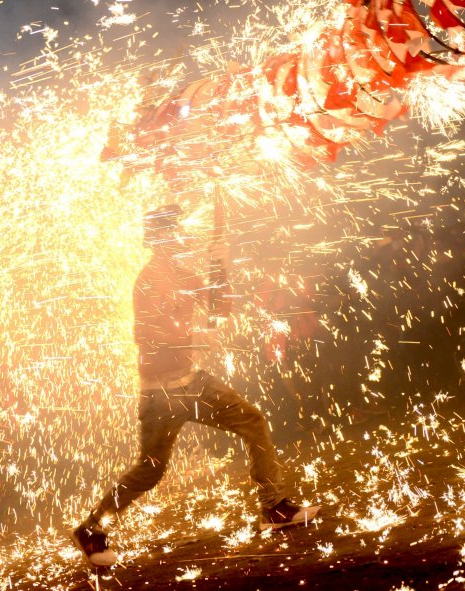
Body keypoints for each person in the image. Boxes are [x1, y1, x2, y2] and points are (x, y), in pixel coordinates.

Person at [72, 204, 320, 567]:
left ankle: (274, 508)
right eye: (175, 231)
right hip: (162, 394)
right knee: (150, 471)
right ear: (162, 238)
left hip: (193, 383)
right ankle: (91, 530)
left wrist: (221, 265)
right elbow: (145, 334)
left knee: (252, 421)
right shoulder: (150, 279)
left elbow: (220, 309)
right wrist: (190, 338)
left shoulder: (183, 273)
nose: (184, 236)